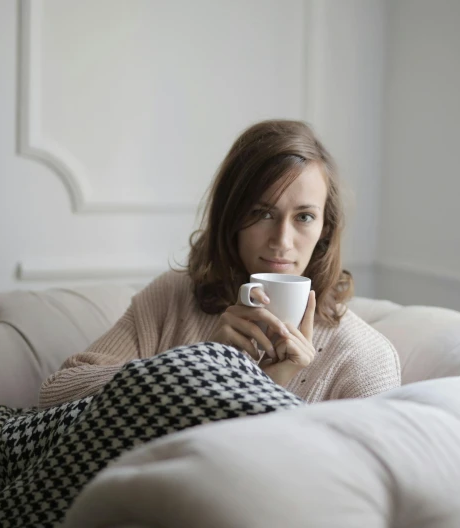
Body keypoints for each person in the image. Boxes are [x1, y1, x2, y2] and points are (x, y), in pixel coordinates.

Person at [39, 119, 401, 408]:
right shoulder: (174, 297)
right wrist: (200, 364)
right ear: (231, 218)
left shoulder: (365, 359)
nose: (282, 241)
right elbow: (55, 395)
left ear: (325, 229)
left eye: (304, 217)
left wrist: (263, 388)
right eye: (262, 213)